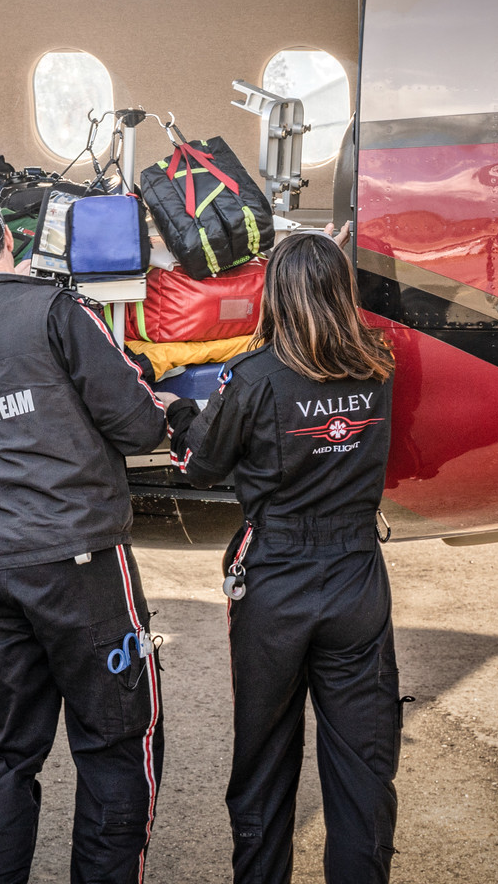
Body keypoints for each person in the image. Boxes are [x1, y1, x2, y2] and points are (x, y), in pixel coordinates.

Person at [0, 191, 172, 884]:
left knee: (5, 753)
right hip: (80, 561)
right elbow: (139, 423)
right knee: (118, 741)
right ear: (11, 241)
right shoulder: (56, 310)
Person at [167, 230, 401, 884]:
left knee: (265, 765)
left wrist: (181, 413)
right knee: (362, 769)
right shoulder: (378, 366)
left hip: (275, 579)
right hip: (356, 576)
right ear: (339, 292)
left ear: (274, 294)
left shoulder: (252, 377)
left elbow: (201, 468)